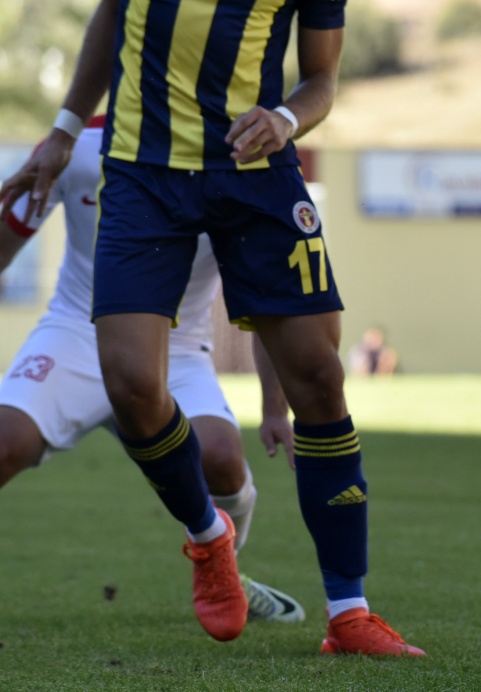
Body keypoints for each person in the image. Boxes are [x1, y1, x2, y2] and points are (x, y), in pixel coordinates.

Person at [0, 0, 421, 656]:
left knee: (318, 373)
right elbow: (111, 15)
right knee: (134, 382)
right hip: (145, 171)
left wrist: (284, 118)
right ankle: (209, 535)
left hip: (255, 170)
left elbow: (320, 83)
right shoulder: (89, 155)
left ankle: (350, 612)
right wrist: (64, 125)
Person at [0, 117, 303, 625]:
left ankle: (225, 567)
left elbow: (268, 300)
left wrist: (276, 404)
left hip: (177, 348)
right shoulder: (79, 144)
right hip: (76, 333)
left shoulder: (238, 160)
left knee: (224, 458)